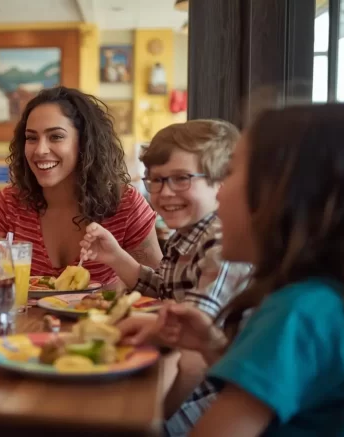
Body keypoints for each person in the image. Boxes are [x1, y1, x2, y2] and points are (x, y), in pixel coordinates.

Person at [123, 104, 344, 436]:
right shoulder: (326, 297)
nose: (220, 192)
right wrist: (212, 346)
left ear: (279, 195)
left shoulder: (298, 313)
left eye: (232, 172)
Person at [81, 120, 252, 435]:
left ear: (222, 182)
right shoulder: (185, 236)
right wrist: (116, 256)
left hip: (215, 395)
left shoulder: (221, 242)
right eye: (156, 180)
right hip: (185, 372)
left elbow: (193, 324)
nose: (164, 192)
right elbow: (162, 288)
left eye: (181, 179)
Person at [0, 86, 162, 285]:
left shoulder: (126, 205)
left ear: (84, 142)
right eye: (31, 138)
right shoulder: (7, 204)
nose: (40, 150)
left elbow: (161, 289)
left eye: (56, 136)